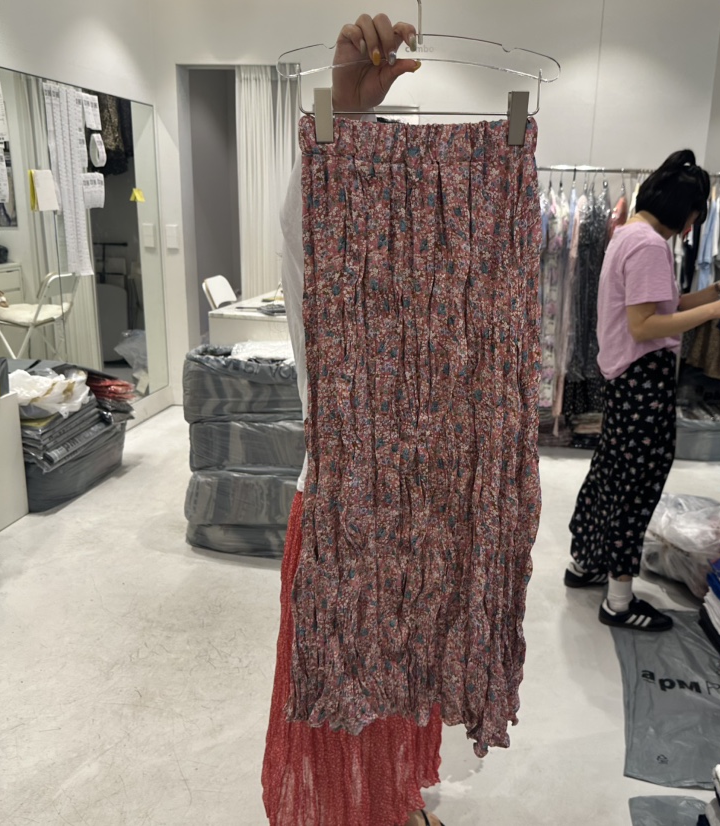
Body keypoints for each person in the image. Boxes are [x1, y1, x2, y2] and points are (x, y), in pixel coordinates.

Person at [262, 14, 446, 826]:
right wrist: (342, 115)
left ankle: (396, 802)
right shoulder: (328, 245)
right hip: (344, 504)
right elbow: (303, 231)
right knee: (336, 701)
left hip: (426, 509)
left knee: (404, 684)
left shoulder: (455, 279)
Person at [564, 150, 720, 632]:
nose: (693, 226)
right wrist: (716, 311)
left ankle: (585, 562)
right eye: (695, 215)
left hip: (625, 379)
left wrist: (716, 290)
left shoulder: (630, 234)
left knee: (611, 475)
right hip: (642, 380)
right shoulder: (650, 245)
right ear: (684, 211)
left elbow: (659, 305)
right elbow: (646, 325)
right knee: (637, 485)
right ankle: (619, 602)